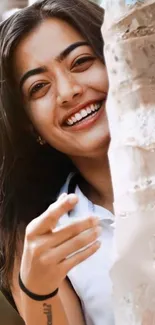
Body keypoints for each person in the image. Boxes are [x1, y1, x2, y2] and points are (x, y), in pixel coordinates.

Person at [0, 0, 114, 324]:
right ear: (29, 125)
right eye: (39, 87)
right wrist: (38, 292)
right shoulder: (45, 236)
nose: (67, 91)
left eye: (80, 61)